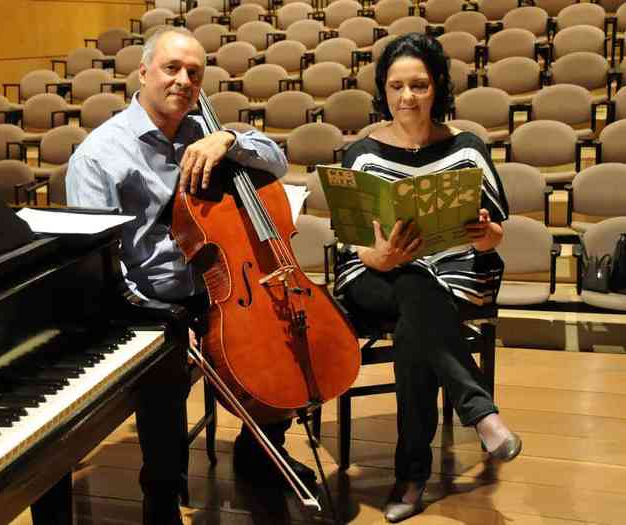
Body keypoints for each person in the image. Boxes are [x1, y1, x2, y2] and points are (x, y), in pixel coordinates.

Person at [66, 27, 314, 524]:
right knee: (166, 365)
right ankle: (161, 490)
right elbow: (97, 264)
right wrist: (154, 311)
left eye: (194, 73)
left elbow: (278, 160)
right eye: (171, 69)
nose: (183, 80)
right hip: (150, 298)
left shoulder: (207, 130)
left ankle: (261, 449)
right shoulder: (99, 155)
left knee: (281, 334)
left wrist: (229, 137)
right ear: (143, 73)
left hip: (223, 287)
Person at [336, 33, 521, 523]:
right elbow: (354, 248)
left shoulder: (466, 147)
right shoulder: (362, 153)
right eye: (396, 85)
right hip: (374, 278)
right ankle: (480, 410)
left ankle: (412, 476)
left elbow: (494, 234)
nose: (407, 97)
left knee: (418, 310)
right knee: (413, 286)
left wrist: (484, 233)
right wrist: (383, 257)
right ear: (383, 88)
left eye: (418, 84)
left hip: (454, 272)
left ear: (437, 86)